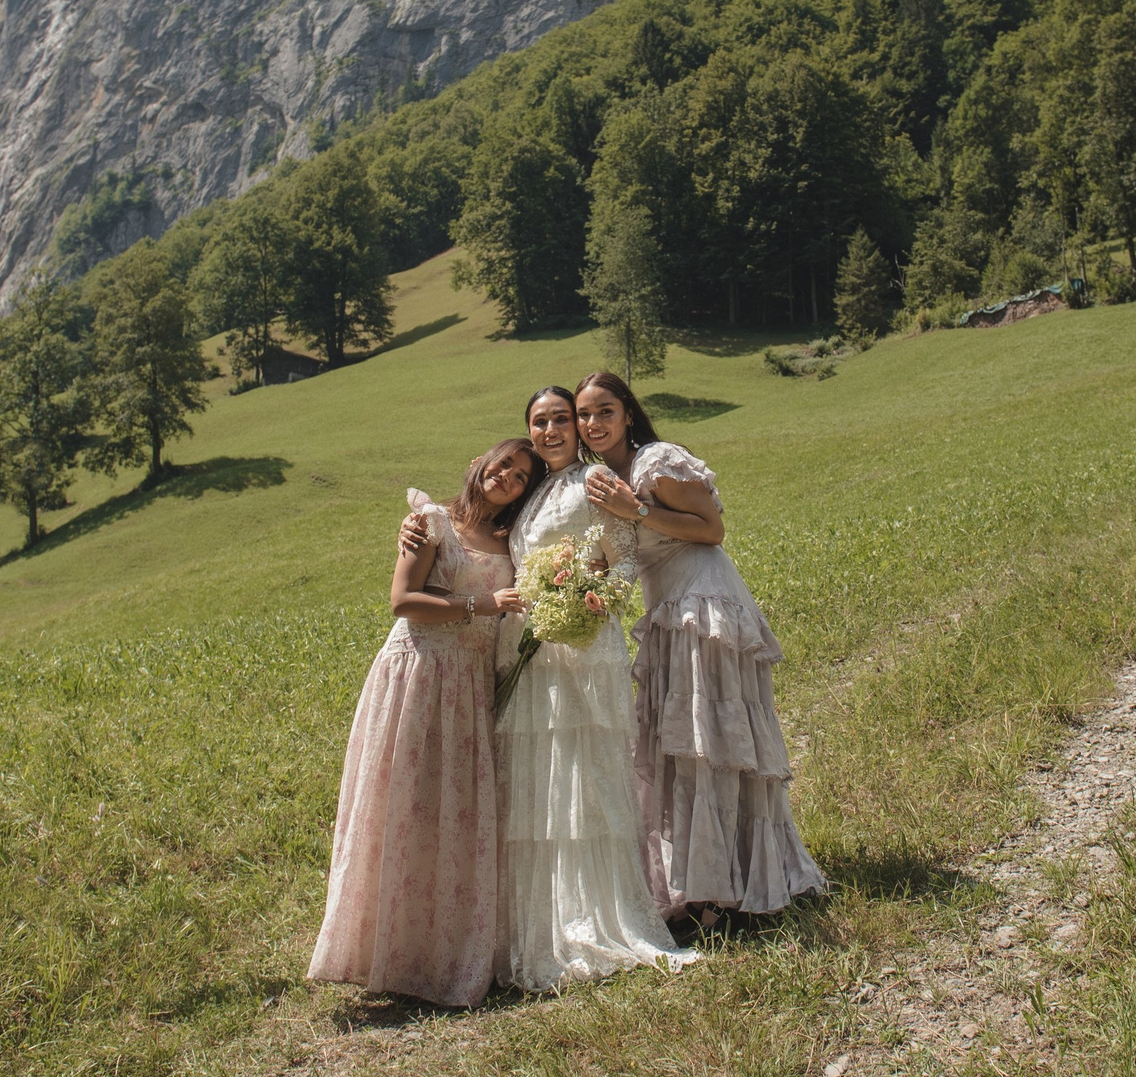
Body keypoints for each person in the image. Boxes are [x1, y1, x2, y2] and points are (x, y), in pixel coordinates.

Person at [412, 388, 698, 990]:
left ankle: (596, 919)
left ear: (577, 427)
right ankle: (539, 926)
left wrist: (585, 602)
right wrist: (420, 526)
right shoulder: (535, 492)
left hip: (579, 648)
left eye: (560, 420)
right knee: (536, 789)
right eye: (538, 422)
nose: (549, 431)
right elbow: (476, 524)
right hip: (524, 649)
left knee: (583, 781)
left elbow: (623, 562)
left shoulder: (594, 483)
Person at [575, 371, 826, 923]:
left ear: (628, 414)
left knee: (712, 740)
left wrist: (633, 508)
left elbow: (711, 529)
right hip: (665, 609)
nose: (594, 424)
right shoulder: (600, 479)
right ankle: (707, 886)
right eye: (584, 415)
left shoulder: (655, 463)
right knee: (684, 746)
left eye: (605, 411)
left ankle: (740, 888)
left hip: (702, 604)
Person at [309, 438, 539, 1007]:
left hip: (469, 686)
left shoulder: (514, 541)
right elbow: (403, 599)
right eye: (503, 464)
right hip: (418, 673)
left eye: (520, 476)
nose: (507, 476)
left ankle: (447, 951)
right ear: (479, 465)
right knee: (404, 803)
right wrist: (479, 607)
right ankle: (381, 951)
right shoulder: (431, 521)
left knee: (455, 811)